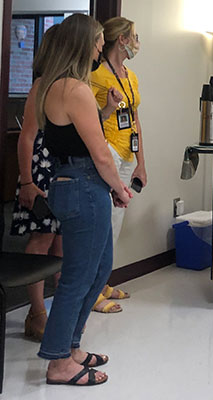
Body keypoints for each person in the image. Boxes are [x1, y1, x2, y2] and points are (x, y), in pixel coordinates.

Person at [36, 14, 132, 386]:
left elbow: (76, 137)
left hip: (73, 183)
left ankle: (71, 346)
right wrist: (119, 189)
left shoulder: (55, 87)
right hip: (83, 185)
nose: (99, 48)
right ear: (81, 44)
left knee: (98, 269)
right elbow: (100, 154)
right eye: (95, 41)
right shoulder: (74, 89)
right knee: (78, 277)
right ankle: (59, 361)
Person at [90, 16, 146, 313]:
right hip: (107, 151)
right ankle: (94, 291)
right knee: (103, 225)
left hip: (127, 154)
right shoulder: (97, 76)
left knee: (115, 223)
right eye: (134, 36)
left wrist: (141, 162)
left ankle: (103, 281)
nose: (137, 41)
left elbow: (135, 120)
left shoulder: (130, 76)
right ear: (122, 39)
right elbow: (91, 116)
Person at [10, 24, 62, 342]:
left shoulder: (68, 85)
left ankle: (57, 310)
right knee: (41, 241)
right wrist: (27, 182)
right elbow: (27, 136)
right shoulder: (41, 85)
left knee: (60, 244)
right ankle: (36, 313)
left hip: (60, 171)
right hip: (39, 172)